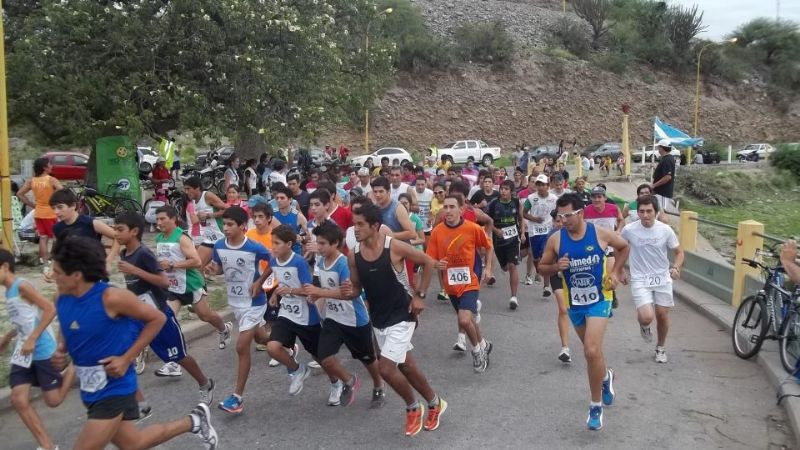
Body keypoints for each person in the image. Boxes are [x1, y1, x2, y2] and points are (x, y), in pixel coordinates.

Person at [50, 236, 218, 449]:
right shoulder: (61, 298)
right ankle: (195, 421)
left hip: (115, 388)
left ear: (76, 275)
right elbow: (69, 328)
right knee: (133, 444)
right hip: (90, 389)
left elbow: (157, 319)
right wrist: (60, 351)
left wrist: (126, 358)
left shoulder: (111, 298)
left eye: (57, 272)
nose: (51, 276)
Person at [342, 203, 445, 436]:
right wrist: (351, 292)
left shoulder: (393, 247)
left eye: (360, 224)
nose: (355, 229)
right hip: (378, 319)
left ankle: (412, 407)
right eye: (353, 224)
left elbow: (428, 261)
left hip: (403, 314)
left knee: (386, 369)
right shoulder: (353, 255)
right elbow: (357, 288)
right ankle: (434, 402)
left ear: (375, 226)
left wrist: (419, 295)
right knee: (406, 366)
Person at [538, 193, 630, 431]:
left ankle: (595, 406)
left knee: (590, 350)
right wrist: (556, 267)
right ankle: (606, 377)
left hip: (600, 299)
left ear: (580, 213)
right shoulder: (556, 240)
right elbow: (541, 267)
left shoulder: (599, 233)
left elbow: (623, 247)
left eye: (568, 215)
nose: (564, 219)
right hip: (575, 302)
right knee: (594, 352)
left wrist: (615, 273)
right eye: (560, 216)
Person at [114, 212, 215, 403]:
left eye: (120, 230)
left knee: (179, 356)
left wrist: (136, 271)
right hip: (138, 314)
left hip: (159, 315)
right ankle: (138, 402)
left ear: (134, 231)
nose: (115, 234)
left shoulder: (143, 254)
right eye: (114, 229)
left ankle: (204, 382)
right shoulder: (124, 253)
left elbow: (163, 282)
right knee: (122, 352)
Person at [0, 248, 74, 450]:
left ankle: (73, 369)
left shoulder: (22, 286)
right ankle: (48, 446)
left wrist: (33, 338)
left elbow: (50, 309)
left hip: (41, 349)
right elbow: (24, 320)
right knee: (18, 399)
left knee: (53, 400)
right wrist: (7, 338)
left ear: (5, 267)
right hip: (22, 352)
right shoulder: (8, 291)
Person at [306, 222, 386, 407]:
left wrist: (320, 293)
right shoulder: (320, 261)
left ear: (335, 244)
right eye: (317, 243)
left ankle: (378, 384)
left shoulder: (344, 264)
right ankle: (349, 381)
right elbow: (323, 288)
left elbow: (347, 293)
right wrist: (314, 294)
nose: (319, 247)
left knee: (368, 358)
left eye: (323, 243)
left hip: (355, 320)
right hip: (334, 319)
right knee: (324, 356)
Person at [206, 206, 272, 414]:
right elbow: (219, 267)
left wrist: (260, 282)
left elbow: (273, 260)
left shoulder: (254, 247)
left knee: (242, 347)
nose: (225, 228)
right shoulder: (218, 245)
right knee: (262, 339)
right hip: (236, 303)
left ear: (243, 226)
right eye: (223, 224)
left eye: (229, 224)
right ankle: (286, 344)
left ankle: (237, 398)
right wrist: (212, 270)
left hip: (254, 302)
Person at [154, 206, 232, 376]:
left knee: (205, 316)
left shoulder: (181, 237)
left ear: (173, 219)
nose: (159, 222)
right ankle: (173, 363)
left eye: (162, 219)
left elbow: (196, 262)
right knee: (166, 320)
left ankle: (224, 328)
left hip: (190, 284)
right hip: (172, 287)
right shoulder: (159, 237)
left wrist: (173, 265)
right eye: (157, 219)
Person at [428, 195, 494, 372]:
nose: (448, 211)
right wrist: (435, 264)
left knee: (464, 319)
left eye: (452, 207)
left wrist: (488, 268)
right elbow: (430, 258)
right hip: (450, 284)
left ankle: (477, 351)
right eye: (445, 207)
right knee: (469, 319)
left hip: (470, 280)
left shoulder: (472, 228)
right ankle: (483, 343)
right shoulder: (437, 231)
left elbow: (488, 246)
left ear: (461, 209)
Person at [621, 195, 684, 363]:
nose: (645, 215)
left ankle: (660, 348)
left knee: (662, 315)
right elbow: (620, 248)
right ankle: (644, 325)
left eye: (649, 211)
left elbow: (679, 252)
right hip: (640, 278)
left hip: (662, 277)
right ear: (638, 213)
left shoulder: (665, 230)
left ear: (656, 212)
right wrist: (619, 270)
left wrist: (676, 267)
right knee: (647, 317)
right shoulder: (629, 230)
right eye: (641, 211)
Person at [264, 224, 322, 396]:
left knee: (321, 357)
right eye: (272, 243)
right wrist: (276, 293)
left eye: (277, 243)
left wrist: (288, 291)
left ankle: (337, 382)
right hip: (287, 313)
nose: (273, 247)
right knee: (272, 348)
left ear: (289, 244)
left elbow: (308, 290)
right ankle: (297, 370)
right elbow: (283, 283)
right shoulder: (274, 262)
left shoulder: (299, 262)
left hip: (307, 316)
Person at [245, 203, 281, 355]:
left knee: (272, 314)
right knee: (261, 313)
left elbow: (278, 260)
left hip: (273, 279)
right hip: (255, 279)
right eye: (255, 217)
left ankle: (277, 346)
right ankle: (268, 339)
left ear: (269, 218)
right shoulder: (249, 235)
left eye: (261, 217)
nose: (257, 220)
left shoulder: (275, 236)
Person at [48, 188, 119, 265]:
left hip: (94, 269)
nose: (56, 212)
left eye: (60, 207)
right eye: (53, 208)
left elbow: (118, 237)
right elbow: (58, 251)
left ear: (73, 205)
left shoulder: (90, 223)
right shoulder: (57, 228)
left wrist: (109, 259)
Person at [17, 157, 63, 266]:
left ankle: (45, 263)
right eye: (49, 164)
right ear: (44, 167)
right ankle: (54, 260)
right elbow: (63, 191)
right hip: (50, 213)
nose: (51, 166)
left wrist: (32, 205)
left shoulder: (32, 180)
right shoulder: (51, 179)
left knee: (43, 238)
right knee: (56, 237)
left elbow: (19, 194)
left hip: (38, 213)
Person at [487, 180, 523, 310]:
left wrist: (523, 233)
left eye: (506, 189)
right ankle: (504, 266)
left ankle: (514, 297)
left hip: (513, 239)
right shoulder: (494, 204)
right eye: (502, 188)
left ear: (511, 191)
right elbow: (488, 221)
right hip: (499, 241)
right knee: (505, 267)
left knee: (513, 266)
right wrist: (496, 231)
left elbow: (521, 218)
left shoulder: (516, 202)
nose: (503, 191)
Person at [522, 174, 558, 302]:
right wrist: (534, 219)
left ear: (548, 186)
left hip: (548, 231)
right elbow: (524, 213)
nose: (541, 187)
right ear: (536, 186)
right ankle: (540, 270)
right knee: (536, 258)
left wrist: (555, 221)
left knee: (545, 257)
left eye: (543, 185)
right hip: (534, 232)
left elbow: (558, 212)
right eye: (539, 184)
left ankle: (546, 286)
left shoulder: (554, 198)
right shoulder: (531, 198)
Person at [183, 176, 228, 266]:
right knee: (197, 266)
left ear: (197, 188)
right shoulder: (194, 201)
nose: (186, 192)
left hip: (220, 236)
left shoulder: (207, 195)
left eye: (188, 189)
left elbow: (227, 209)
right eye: (185, 189)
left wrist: (208, 215)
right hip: (208, 239)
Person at [546, 211, 572, 363]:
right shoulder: (552, 236)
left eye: (563, 220)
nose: (560, 223)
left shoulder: (578, 234)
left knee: (580, 313)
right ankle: (565, 348)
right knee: (563, 309)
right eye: (557, 221)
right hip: (557, 276)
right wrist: (556, 267)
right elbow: (544, 263)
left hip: (577, 277)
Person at [272, 184, 308, 254]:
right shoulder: (272, 214)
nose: (279, 200)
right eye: (277, 198)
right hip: (277, 253)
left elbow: (310, 236)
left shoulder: (298, 216)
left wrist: (302, 238)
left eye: (282, 198)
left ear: (290, 200)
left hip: (295, 253)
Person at [652, 139, 677, 213]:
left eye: (658, 147)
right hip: (660, 192)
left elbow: (667, 177)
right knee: (657, 211)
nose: (658, 149)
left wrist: (654, 185)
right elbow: (663, 172)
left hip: (663, 192)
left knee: (661, 212)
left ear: (662, 148)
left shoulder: (667, 160)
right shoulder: (666, 158)